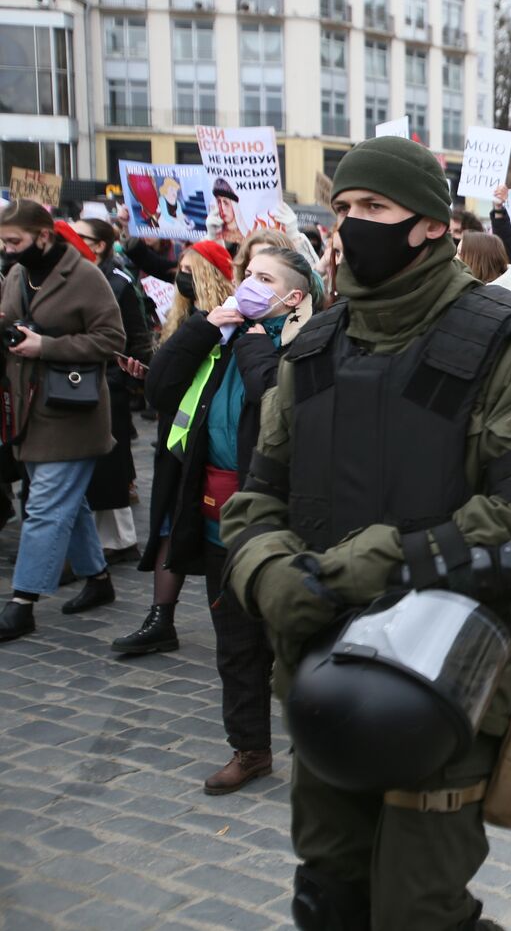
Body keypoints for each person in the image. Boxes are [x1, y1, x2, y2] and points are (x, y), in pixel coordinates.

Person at [219, 135, 511, 929]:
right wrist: (269, 574)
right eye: (343, 208)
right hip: (321, 666)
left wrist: (371, 564)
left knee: (419, 911)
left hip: (444, 677)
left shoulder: (506, 341)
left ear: (429, 224)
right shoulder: (310, 347)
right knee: (329, 894)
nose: (351, 224)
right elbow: (256, 500)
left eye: (373, 207)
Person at [145, 246, 317, 793]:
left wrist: (251, 339)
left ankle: (322, 756)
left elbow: (274, 400)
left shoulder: (307, 344)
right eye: (247, 274)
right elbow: (158, 388)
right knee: (236, 646)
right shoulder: (221, 338)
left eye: (263, 279)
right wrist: (204, 327)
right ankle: (250, 750)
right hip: (219, 518)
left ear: (293, 297)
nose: (247, 283)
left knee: (299, 645)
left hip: (283, 528)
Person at [0, 200, 126, 642]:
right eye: (2, 242)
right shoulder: (17, 273)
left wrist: (46, 346)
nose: (7, 249)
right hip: (29, 408)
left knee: (45, 506)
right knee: (68, 503)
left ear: (44, 236)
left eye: (14, 241)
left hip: (73, 412)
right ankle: (98, 580)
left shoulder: (86, 276)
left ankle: (22, 603)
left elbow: (112, 339)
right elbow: (12, 321)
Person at [116, 240, 236, 655]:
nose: (180, 275)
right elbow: (172, 385)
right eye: (179, 267)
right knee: (168, 524)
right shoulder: (182, 319)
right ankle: (160, 617)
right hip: (177, 443)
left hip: (212, 445)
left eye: (189, 268)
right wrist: (148, 376)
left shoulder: (229, 322)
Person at [74, 217, 151, 563]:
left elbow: (137, 336)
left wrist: (126, 381)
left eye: (81, 237)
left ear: (100, 244)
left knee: (112, 464)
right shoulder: (80, 276)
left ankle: (120, 541)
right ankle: (110, 539)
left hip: (110, 383)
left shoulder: (118, 281)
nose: (72, 242)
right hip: (87, 381)